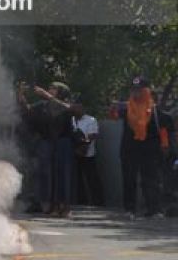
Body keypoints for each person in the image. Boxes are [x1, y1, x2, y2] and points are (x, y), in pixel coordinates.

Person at [111, 77, 174, 219]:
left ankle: (154, 209)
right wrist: (113, 109)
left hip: (149, 151)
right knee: (129, 179)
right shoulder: (127, 108)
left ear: (147, 91)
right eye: (134, 90)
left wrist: (164, 145)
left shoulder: (155, 110)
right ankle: (129, 209)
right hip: (129, 149)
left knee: (151, 179)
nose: (136, 93)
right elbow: (114, 117)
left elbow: (163, 129)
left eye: (140, 90)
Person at [19, 81, 78, 216]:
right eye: (49, 88)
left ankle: (65, 206)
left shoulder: (65, 104)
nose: (50, 90)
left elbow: (67, 109)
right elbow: (27, 110)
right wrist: (21, 94)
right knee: (49, 175)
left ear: (62, 92)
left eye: (54, 89)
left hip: (64, 142)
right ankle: (52, 205)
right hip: (51, 142)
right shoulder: (44, 105)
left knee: (64, 175)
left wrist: (46, 95)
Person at [71, 102, 103, 207]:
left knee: (92, 178)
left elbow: (92, 135)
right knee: (77, 178)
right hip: (74, 153)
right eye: (74, 107)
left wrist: (83, 147)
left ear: (83, 108)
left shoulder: (90, 120)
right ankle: (81, 200)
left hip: (88, 153)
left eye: (78, 107)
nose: (76, 110)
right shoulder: (71, 120)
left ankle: (98, 201)